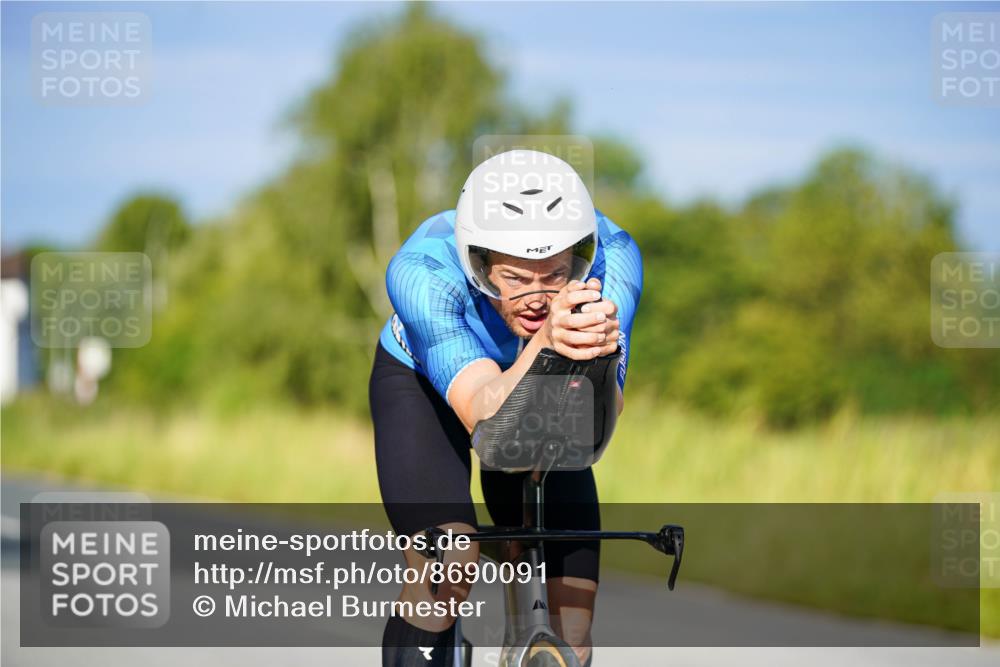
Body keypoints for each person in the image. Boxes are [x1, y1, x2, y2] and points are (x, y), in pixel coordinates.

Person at [371, 149, 642, 666]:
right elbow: (481, 413)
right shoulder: (420, 271)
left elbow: (601, 422)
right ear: (478, 261)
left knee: (574, 619)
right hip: (424, 385)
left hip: (546, 391)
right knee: (449, 565)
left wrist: (601, 358)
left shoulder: (616, 256)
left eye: (557, 273)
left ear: (581, 254)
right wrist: (546, 343)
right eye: (516, 278)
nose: (538, 296)